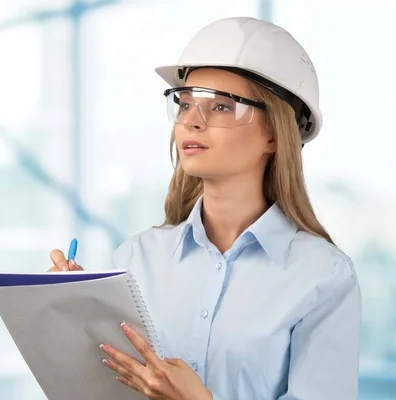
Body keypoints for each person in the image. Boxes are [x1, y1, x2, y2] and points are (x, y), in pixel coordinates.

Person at [48, 16, 361, 400]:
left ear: (276, 134)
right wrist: (72, 321)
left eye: (222, 108)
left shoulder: (323, 277)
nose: (191, 123)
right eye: (184, 105)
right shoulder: (136, 257)